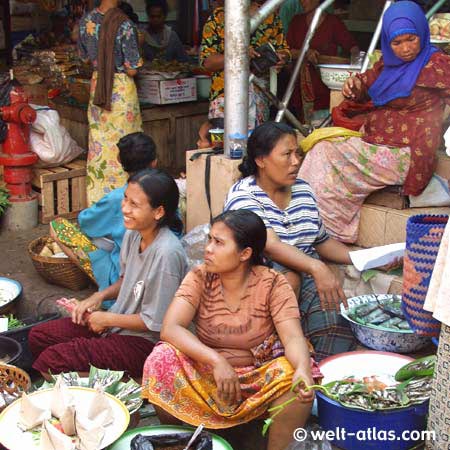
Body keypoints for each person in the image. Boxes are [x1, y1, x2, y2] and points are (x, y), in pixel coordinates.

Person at [142, 210, 320, 450]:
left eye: (219, 243)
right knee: (160, 359)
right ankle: (184, 442)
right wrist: (216, 362)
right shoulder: (199, 277)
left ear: (245, 253)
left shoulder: (274, 284)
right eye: (209, 239)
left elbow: (293, 337)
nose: (208, 249)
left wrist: (302, 370)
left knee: (294, 377)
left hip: (258, 374)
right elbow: (171, 328)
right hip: (208, 373)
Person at [299, 1, 450, 243]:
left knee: (325, 152)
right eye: (396, 42)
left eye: (411, 39)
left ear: (422, 33)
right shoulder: (387, 66)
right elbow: (365, 84)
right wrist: (354, 86)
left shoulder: (437, 66)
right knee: (321, 148)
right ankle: (312, 225)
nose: (405, 48)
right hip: (378, 144)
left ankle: (327, 233)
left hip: (408, 153)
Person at [29, 169, 188, 378]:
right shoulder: (134, 233)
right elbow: (126, 280)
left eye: (134, 205)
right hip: (116, 323)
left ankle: (116, 389)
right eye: (125, 199)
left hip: (145, 343)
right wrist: (97, 297)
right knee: (39, 337)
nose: (124, 208)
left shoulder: (167, 253)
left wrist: (106, 319)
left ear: (158, 212)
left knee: (52, 362)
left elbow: (154, 322)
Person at [224, 122, 355, 361]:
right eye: (287, 154)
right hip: (257, 274)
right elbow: (270, 246)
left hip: (303, 271)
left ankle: (321, 377)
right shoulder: (244, 195)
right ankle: (271, 356)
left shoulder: (303, 190)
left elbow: (321, 241)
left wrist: (363, 258)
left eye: (298, 154)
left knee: (333, 322)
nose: (296, 161)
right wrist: (317, 267)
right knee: (288, 281)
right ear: (261, 160)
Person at [50, 132, 158, 297]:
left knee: (58, 226)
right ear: (154, 162)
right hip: (155, 276)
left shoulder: (119, 198)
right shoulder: (166, 190)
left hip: (125, 282)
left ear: (120, 161)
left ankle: (107, 288)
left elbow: (86, 223)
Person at [79, 0, 143, 205]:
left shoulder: (86, 22)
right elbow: (133, 68)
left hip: (99, 87)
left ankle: (99, 202)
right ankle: (127, 202)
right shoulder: (125, 24)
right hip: (121, 91)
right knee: (126, 149)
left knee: (100, 150)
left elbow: (85, 59)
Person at [200, 1, 291, 129]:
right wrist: (238, 54)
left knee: (256, 145)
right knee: (225, 146)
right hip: (225, 97)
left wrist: (282, 58)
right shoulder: (219, 18)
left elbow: (284, 50)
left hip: (260, 95)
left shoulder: (270, 17)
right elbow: (208, 62)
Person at [286, 0, 358, 122]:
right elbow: (286, 51)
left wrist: (355, 65)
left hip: (326, 85)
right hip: (300, 85)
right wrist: (305, 52)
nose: (302, 2)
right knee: (303, 126)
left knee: (324, 124)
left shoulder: (333, 22)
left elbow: (353, 47)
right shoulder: (296, 21)